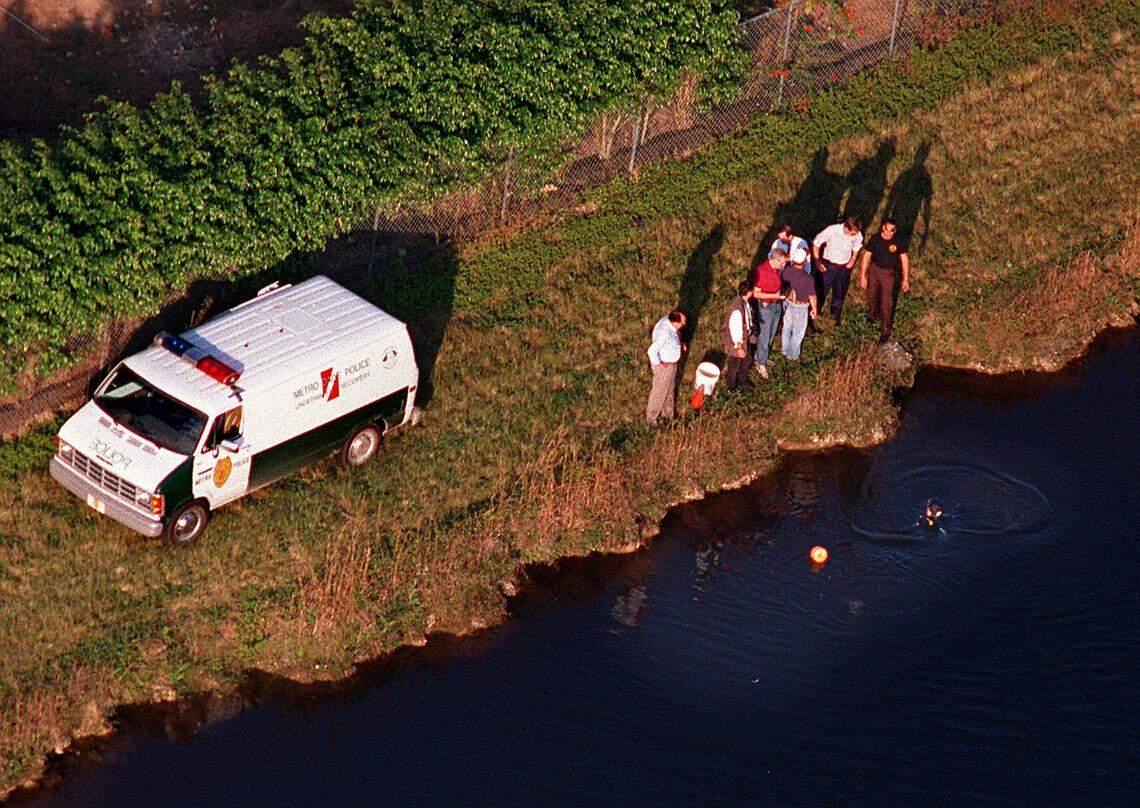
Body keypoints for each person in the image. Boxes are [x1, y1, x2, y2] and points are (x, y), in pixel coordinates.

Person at [859, 218, 910, 344]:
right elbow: (867, 256)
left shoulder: (898, 241)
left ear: (895, 231)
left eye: (892, 231)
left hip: (889, 274)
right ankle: (872, 316)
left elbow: (904, 259)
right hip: (874, 270)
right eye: (887, 229)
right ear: (883, 228)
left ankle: (885, 330)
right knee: (871, 295)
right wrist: (863, 275)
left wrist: (905, 279)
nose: (889, 233)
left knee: (887, 303)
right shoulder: (875, 239)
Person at [811, 216, 864, 325]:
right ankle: (814, 313)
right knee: (820, 290)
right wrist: (817, 261)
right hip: (828, 266)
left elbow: (857, 245)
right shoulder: (832, 230)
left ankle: (835, 316)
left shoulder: (857, 234)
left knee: (839, 293)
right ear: (846, 228)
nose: (854, 235)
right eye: (852, 234)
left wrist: (853, 259)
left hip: (844, 268)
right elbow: (817, 242)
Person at [646, 309, 686, 425]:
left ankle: (668, 414)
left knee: (669, 390)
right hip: (664, 366)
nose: (684, 324)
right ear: (676, 322)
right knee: (659, 392)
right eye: (683, 322)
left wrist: (679, 344)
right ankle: (651, 419)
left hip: (670, 364)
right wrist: (658, 364)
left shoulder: (666, 321)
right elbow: (651, 351)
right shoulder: (665, 334)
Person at [750, 251, 786, 378]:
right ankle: (760, 363)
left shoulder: (776, 269)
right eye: (782, 262)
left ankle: (762, 356)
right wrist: (774, 296)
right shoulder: (762, 272)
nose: (784, 264)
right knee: (765, 335)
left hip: (776, 304)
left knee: (771, 332)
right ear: (775, 260)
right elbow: (756, 294)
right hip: (766, 306)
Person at [780, 247, 817, 361]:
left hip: (787, 302)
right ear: (804, 261)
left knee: (786, 327)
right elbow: (812, 295)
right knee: (798, 332)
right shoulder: (808, 278)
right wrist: (814, 308)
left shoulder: (786, 271)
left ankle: (784, 350)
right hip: (800, 306)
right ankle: (792, 355)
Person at [722, 281, 754, 389]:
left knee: (747, 360)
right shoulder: (737, 310)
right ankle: (730, 386)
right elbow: (736, 329)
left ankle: (742, 380)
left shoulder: (743, 302)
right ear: (748, 292)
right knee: (734, 365)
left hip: (745, 338)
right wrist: (739, 347)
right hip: (738, 342)